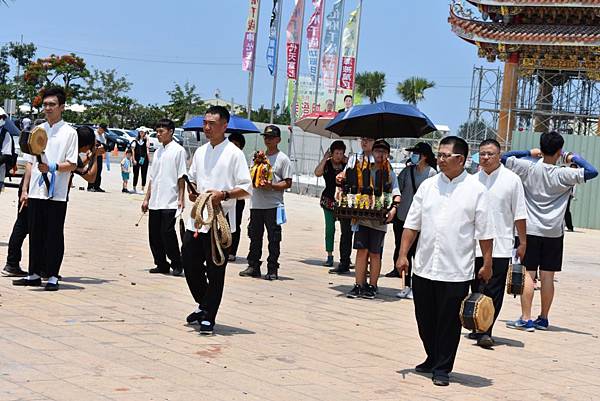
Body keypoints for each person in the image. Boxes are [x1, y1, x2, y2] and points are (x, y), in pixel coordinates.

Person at [396, 136, 494, 386]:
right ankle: (431, 356)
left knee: (449, 323)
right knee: (424, 320)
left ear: (460, 159)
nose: (439, 159)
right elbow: (412, 224)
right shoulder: (428, 187)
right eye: (438, 154)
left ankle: (442, 367)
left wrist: (488, 263)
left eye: (445, 155)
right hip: (425, 267)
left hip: (456, 270)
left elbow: (485, 232)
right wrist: (402, 254)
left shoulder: (476, 190)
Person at [502, 132, 598, 331]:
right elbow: (592, 171)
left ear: (541, 147)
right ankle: (543, 318)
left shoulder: (528, 167)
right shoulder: (565, 174)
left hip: (529, 230)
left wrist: (529, 152)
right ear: (559, 151)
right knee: (547, 276)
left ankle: (526, 318)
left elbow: (504, 157)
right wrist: (571, 157)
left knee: (528, 274)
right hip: (554, 231)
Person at [182, 106, 252, 335]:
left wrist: (224, 194)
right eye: (205, 123)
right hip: (198, 220)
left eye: (212, 123)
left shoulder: (234, 153)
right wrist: (193, 194)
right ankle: (204, 305)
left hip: (220, 220)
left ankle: (208, 316)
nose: (207, 127)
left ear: (224, 126)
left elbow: (245, 187)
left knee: (215, 269)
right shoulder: (201, 152)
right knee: (189, 263)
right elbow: (192, 178)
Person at [3, 125, 97, 279]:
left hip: (32, 190)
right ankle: (39, 269)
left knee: (25, 227)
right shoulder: (67, 148)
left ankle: (17, 265)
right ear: (85, 145)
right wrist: (95, 156)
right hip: (38, 192)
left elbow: (77, 165)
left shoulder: (56, 144)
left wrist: (24, 190)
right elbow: (89, 176)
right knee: (37, 230)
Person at [12, 87, 79, 291]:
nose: (48, 108)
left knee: (54, 235)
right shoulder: (38, 130)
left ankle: (52, 276)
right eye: (46, 104)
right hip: (35, 191)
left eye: (52, 104)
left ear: (61, 107)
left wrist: (53, 167)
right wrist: (24, 190)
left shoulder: (69, 132)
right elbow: (31, 163)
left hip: (56, 193)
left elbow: (73, 163)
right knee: (35, 232)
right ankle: (33, 274)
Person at [468, 139, 527, 348]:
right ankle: (475, 323)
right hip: (472, 245)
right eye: (482, 154)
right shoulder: (472, 181)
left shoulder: (512, 180)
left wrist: (523, 242)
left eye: (490, 154)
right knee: (476, 287)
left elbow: (520, 213)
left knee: (494, 289)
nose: (485, 158)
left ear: (499, 155)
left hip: (501, 245)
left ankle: (486, 330)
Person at [345, 139, 400, 299]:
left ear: (388, 154)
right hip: (362, 216)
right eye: (377, 151)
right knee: (361, 251)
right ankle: (358, 284)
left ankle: (373, 285)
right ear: (373, 152)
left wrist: (394, 209)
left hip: (379, 219)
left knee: (375, 253)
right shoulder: (363, 168)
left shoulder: (390, 173)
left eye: (383, 152)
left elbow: (396, 193)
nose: (380, 154)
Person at [240, 125, 293, 280]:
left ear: (278, 139)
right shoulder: (257, 157)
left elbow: (288, 182)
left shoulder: (283, 159)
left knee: (274, 238)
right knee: (254, 236)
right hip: (256, 204)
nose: (268, 140)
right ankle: (253, 265)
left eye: (271, 137)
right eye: (266, 137)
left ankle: (272, 268)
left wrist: (272, 186)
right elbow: (249, 176)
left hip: (273, 205)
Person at [385, 143, 437, 300]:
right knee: (403, 252)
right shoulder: (407, 171)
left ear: (425, 156)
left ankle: (416, 286)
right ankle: (405, 285)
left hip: (421, 221)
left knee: (417, 253)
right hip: (402, 217)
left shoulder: (432, 174)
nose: (413, 156)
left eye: (416, 153)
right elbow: (396, 188)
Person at [141, 118, 187, 276]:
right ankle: (161, 263)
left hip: (170, 200)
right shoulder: (159, 151)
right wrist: (146, 198)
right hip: (155, 201)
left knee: (167, 233)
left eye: (161, 131)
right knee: (154, 235)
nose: (158, 135)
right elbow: (152, 178)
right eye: (157, 131)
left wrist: (181, 198)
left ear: (171, 132)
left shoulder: (178, 151)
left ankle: (177, 263)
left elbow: (182, 177)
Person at [331, 137, 375, 274]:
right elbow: (345, 174)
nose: (364, 142)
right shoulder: (354, 158)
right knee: (346, 233)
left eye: (368, 139)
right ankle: (344, 262)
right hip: (351, 199)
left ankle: (365, 266)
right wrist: (341, 176)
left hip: (368, 202)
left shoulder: (377, 161)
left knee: (365, 235)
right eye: (363, 139)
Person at [314, 140, 351, 269]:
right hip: (328, 200)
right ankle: (329, 255)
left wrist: (349, 162)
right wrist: (324, 159)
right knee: (330, 229)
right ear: (332, 153)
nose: (339, 156)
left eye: (341, 153)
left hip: (343, 202)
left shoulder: (346, 165)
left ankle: (346, 257)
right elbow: (317, 173)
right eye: (336, 153)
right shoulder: (327, 164)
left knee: (346, 231)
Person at [227, 132, 248, 262]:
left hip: (237, 198)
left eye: (236, 145)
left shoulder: (241, 160)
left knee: (235, 224)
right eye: (231, 144)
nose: (233, 147)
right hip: (223, 198)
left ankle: (232, 251)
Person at [87, 123, 108, 192]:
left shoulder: (103, 135)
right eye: (103, 130)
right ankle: (90, 186)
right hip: (93, 154)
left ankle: (97, 186)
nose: (103, 131)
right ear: (100, 128)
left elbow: (104, 144)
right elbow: (90, 144)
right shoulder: (94, 134)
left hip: (99, 155)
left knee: (99, 170)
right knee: (92, 170)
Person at [132, 127, 150, 194]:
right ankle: (134, 187)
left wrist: (149, 159)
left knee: (144, 173)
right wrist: (133, 159)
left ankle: (142, 188)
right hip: (136, 158)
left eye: (143, 132)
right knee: (135, 173)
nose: (141, 133)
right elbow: (133, 150)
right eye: (140, 132)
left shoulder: (146, 140)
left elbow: (148, 149)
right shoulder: (136, 140)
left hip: (143, 158)